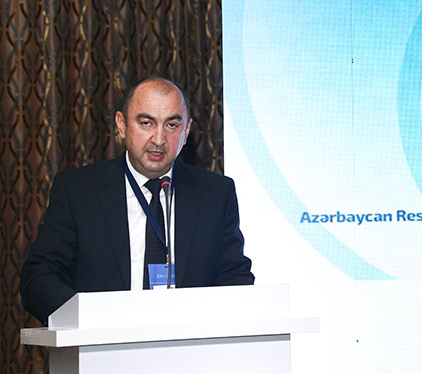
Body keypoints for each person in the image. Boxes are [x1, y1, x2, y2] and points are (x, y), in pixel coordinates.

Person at [21, 77, 254, 324]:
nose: (159, 139)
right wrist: (88, 320)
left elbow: (234, 276)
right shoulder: (78, 191)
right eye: (146, 123)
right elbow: (39, 277)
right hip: (102, 342)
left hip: (189, 342)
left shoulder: (215, 193)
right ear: (121, 125)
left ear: (186, 132)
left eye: (172, 125)